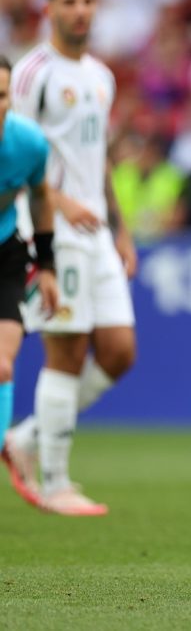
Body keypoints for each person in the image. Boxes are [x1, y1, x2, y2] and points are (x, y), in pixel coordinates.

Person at [2, 0, 137, 516]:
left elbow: (97, 158)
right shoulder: (32, 72)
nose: (80, 10)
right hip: (51, 229)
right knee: (67, 348)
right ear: (50, 7)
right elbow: (16, 150)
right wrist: (60, 202)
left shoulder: (101, 77)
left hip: (98, 229)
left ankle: (24, 439)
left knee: (119, 351)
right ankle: (55, 481)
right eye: (69, 1)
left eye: (88, 1)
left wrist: (120, 225)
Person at [0, 55, 59, 470]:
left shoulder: (29, 143)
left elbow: (40, 198)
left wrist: (49, 265)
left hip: (6, 250)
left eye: (1, 94)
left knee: (3, 364)